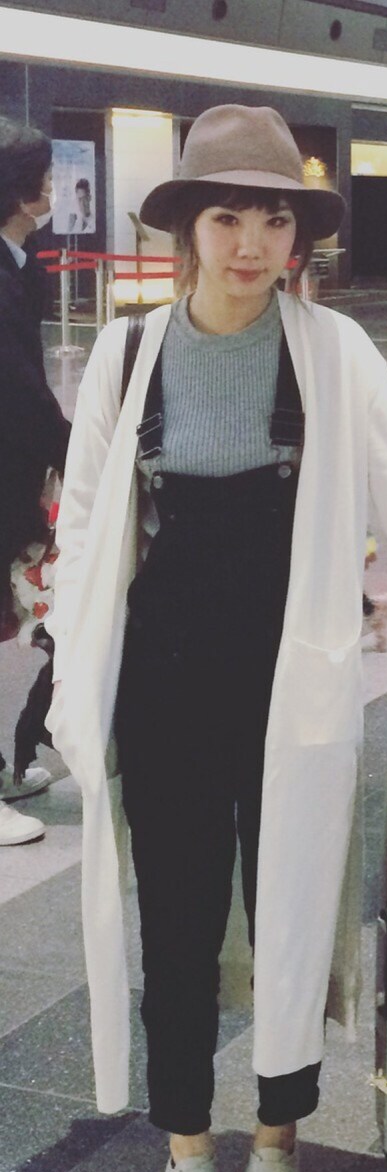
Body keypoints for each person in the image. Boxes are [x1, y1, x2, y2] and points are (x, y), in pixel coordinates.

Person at [46, 104, 387, 1172]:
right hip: (164, 676)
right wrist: (70, 660)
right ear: (187, 226)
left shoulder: (331, 350)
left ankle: (276, 1136)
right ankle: (185, 1146)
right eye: (228, 216)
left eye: (274, 220)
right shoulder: (129, 353)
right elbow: (86, 522)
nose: (252, 243)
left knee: (293, 908)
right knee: (175, 917)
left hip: (292, 676)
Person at [0, 116, 70, 846]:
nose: (54, 189)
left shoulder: (22, 261)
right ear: (23, 194)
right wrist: (72, 447)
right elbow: (15, 385)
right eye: (46, 178)